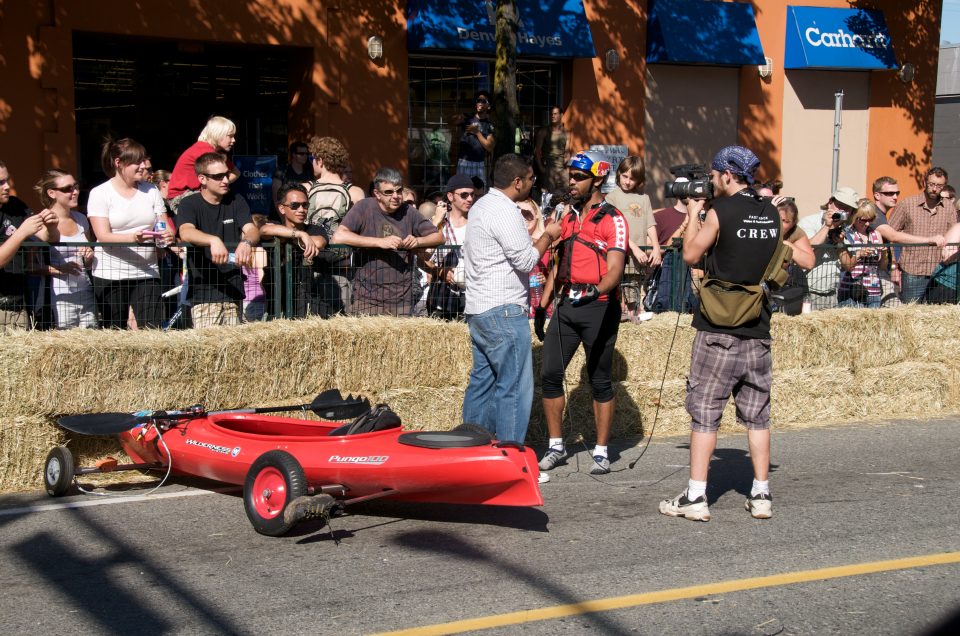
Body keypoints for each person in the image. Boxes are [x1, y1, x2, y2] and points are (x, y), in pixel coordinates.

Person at [658, 145, 779, 522]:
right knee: (757, 415)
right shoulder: (771, 212)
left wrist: (694, 214)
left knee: (706, 413)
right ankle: (761, 493)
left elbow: (692, 255)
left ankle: (696, 496)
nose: (710, 179)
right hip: (757, 324)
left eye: (713, 173)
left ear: (728, 173)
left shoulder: (722, 211)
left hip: (718, 327)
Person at [535, 151, 628, 475]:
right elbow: (557, 264)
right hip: (567, 304)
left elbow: (616, 268)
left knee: (599, 379)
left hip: (599, 306)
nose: (571, 182)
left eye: (579, 177)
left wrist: (598, 290)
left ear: (598, 179)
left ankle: (601, 451)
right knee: (549, 374)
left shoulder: (613, 218)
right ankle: (556, 446)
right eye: (570, 176)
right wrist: (544, 305)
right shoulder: (565, 215)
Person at [462, 154, 562, 443]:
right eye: (530, 178)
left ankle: (473, 450)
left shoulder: (481, 205)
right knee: (515, 386)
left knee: (483, 382)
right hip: (503, 309)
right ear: (517, 182)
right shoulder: (506, 211)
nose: (533, 182)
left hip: (480, 309)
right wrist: (549, 236)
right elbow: (525, 260)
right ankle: (510, 454)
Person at [87, 138, 174, 329]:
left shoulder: (151, 190)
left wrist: (167, 236)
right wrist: (133, 238)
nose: (143, 166)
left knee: (153, 328)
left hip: (147, 271)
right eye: (137, 161)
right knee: (114, 330)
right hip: (111, 273)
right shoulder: (100, 193)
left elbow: (162, 223)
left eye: (144, 160)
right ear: (119, 163)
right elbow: (103, 235)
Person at [331, 167, 442, 316]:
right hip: (367, 299)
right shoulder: (364, 207)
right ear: (377, 193)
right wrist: (379, 242)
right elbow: (339, 236)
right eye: (389, 192)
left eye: (399, 191)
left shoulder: (408, 211)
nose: (395, 196)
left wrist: (418, 241)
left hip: (402, 300)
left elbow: (439, 237)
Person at [176, 152, 260, 328]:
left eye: (227, 174)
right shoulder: (189, 203)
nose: (225, 180)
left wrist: (246, 242)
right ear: (202, 179)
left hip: (234, 289)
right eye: (218, 176)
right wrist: (213, 240)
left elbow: (251, 229)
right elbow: (186, 231)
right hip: (204, 293)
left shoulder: (236, 200)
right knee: (207, 352)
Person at [32, 170, 98, 328]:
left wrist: (89, 256)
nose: (75, 192)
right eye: (68, 188)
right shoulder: (39, 223)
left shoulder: (81, 219)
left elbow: (90, 258)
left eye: (76, 186)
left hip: (85, 293)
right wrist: (58, 269)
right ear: (52, 193)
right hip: (58, 297)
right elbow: (29, 266)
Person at [888, 167, 959, 303]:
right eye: (931, 184)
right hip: (912, 270)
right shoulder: (907, 204)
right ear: (924, 182)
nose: (934, 189)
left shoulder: (949, 207)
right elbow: (890, 235)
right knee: (910, 314)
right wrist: (894, 266)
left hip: (939, 272)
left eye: (939, 186)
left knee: (934, 316)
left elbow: (953, 238)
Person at [1, 161, 56, 331]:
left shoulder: (16, 205)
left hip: (19, 304)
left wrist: (51, 226)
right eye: (1, 182)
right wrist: (20, 233)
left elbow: (45, 237)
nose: (7, 186)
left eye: (7, 180)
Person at [604, 155, 661, 319]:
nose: (628, 181)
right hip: (619, 253)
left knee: (634, 294)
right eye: (625, 176)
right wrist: (634, 248)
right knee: (618, 292)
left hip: (638, 258)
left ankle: (632, 320)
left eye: (633, 178)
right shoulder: (611, 198)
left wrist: (656, 248)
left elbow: (650, 224)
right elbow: (615, 228)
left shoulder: (644, 199)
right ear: (618, 174)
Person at [260, 183, 328, 318]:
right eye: (295, 205)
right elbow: (264, 230)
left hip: (307, 300)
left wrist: (287, 237)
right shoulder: (275, 226)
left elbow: (319, 242)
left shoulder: (315, 229)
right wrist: (300, 235)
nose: (301, 209)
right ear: (282, 208)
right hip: (277, 299)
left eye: (305, 205)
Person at [305, 136, 356, 316]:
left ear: (320, 160)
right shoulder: (353, 192)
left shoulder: (305, 189)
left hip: (310, 263)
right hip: (341, 266)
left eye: (312, 158)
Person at [423, 173, 474, 320]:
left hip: (471, 296)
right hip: (441, 297)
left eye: (472, 195)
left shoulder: (477, 223)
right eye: (464, 195)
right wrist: (440, 271)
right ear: (450, 196)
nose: (470, 199)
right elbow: (423, 257)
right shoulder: (439, 223)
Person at [167, 116, 240, 212]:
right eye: (230, 136)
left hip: (196, 194)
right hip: (182, 198)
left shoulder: (215, 152)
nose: (233, 140)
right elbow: (235, 173)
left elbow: (236, 172)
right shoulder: (204, 151)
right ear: (218, 134)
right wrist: (221, 184)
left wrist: (220, 183)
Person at [450, 90, 495, 187]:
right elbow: (451, 121)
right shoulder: (467, 118)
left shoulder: (489, 125)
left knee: (479, 192)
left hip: (478, 163)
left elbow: (489, 147)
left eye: (483, 101)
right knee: (461, 189)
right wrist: (459, 115)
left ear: (489, 106)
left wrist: (477, 133)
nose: (480, 103)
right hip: (464, 162)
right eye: (478, 100)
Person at [533, 105, 569, 196]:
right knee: (548, 196)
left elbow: (567, 152)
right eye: (551, 114)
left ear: (561, 115)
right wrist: (541, 167)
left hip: (562, 170)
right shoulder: (544, 131)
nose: (553, 116)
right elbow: (537, 151)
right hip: (549, 169)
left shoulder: (566, 132)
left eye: (555, 114)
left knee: (565, 195)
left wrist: (567, 169)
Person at [271, 141, 314, 214]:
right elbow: (276, 196)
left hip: (304, 211)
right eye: (301, 154)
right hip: (285, 212)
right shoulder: (282, 171)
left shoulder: (310, 172)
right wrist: (282, 217)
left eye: (307, 154)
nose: (305, 156)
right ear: (293, 154)